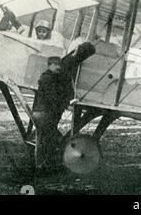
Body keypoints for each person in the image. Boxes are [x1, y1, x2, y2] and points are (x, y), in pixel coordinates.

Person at [32, 42, 96, 173]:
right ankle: (44, 164)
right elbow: (56, 92)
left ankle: (45, 161)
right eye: (56, 66)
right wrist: (67, 100)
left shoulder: (63, 64)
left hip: (43, 110)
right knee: (48, 137)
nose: (58, 68)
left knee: (47, 136)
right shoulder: (56, 72)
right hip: (46, 111)